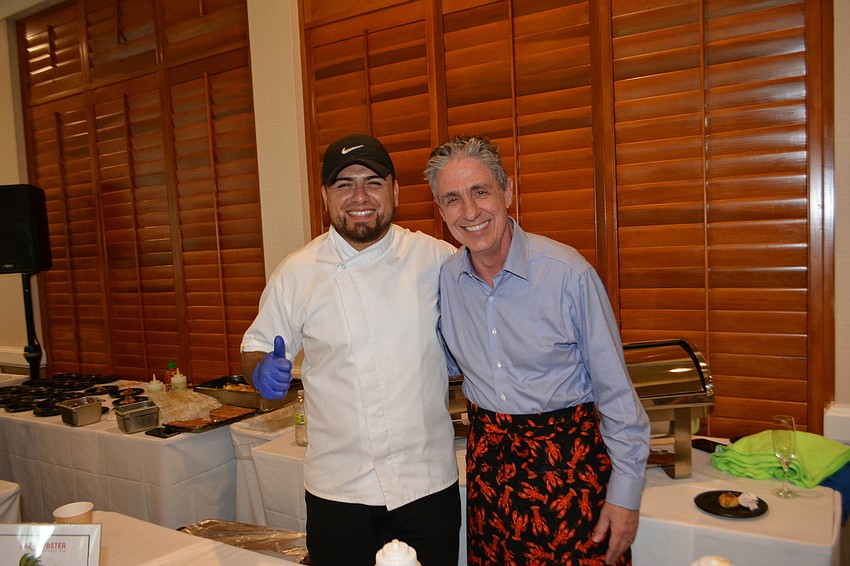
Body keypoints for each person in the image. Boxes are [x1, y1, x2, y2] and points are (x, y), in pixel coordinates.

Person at [424, 135, 650, 565]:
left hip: (571, 471)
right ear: (441, 211)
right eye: (452, 199)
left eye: (480, 191)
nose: (469, 212)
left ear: (508, 191)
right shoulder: (446, 282)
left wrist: (626, 495)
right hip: (490, 474)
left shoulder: (568, 275)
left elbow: (617, 395)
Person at [241, 134, 461, 566]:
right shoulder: (297, 272)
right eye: (344, 184)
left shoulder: (438, 260)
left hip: (426, 486)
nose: (359, 197)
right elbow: (254, 346)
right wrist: (259, 370)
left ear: (395, 191)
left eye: (373, 182)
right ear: (324, 196)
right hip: (338, 493)